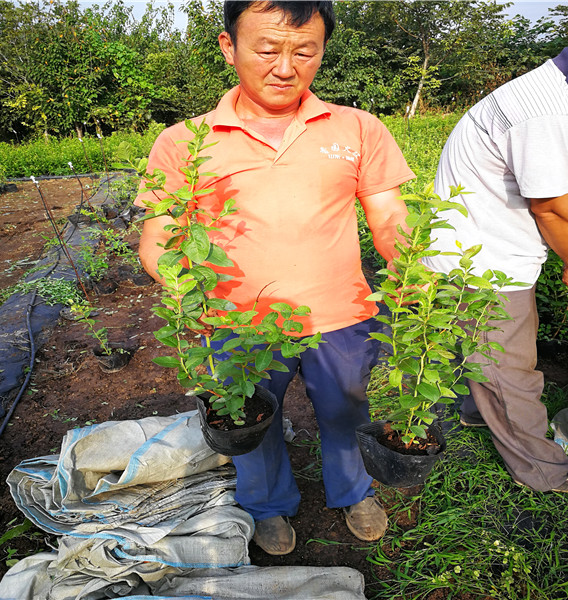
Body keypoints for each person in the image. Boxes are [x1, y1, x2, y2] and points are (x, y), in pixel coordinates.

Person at [135, 1, 415, 555]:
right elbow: (160, 235)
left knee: (345, 408)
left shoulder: (357, 128)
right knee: (250, 419)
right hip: (238, 320)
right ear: (228, 46)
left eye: (304, 51)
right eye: (267, 49)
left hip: (342, 313)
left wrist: (412, 275)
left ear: (321, 51)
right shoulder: (185, 142)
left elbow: (389, 216)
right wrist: (188, 297)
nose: (285, 66)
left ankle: (353, 490)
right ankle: (268, 505)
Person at [423, 30, 568, 495]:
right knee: (508, 366)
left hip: (495, 246)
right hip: (484, 257)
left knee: (494, 351)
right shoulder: (547, 108)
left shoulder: (563, 95)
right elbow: (551, 207)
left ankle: (479, 412)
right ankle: (543, 469)